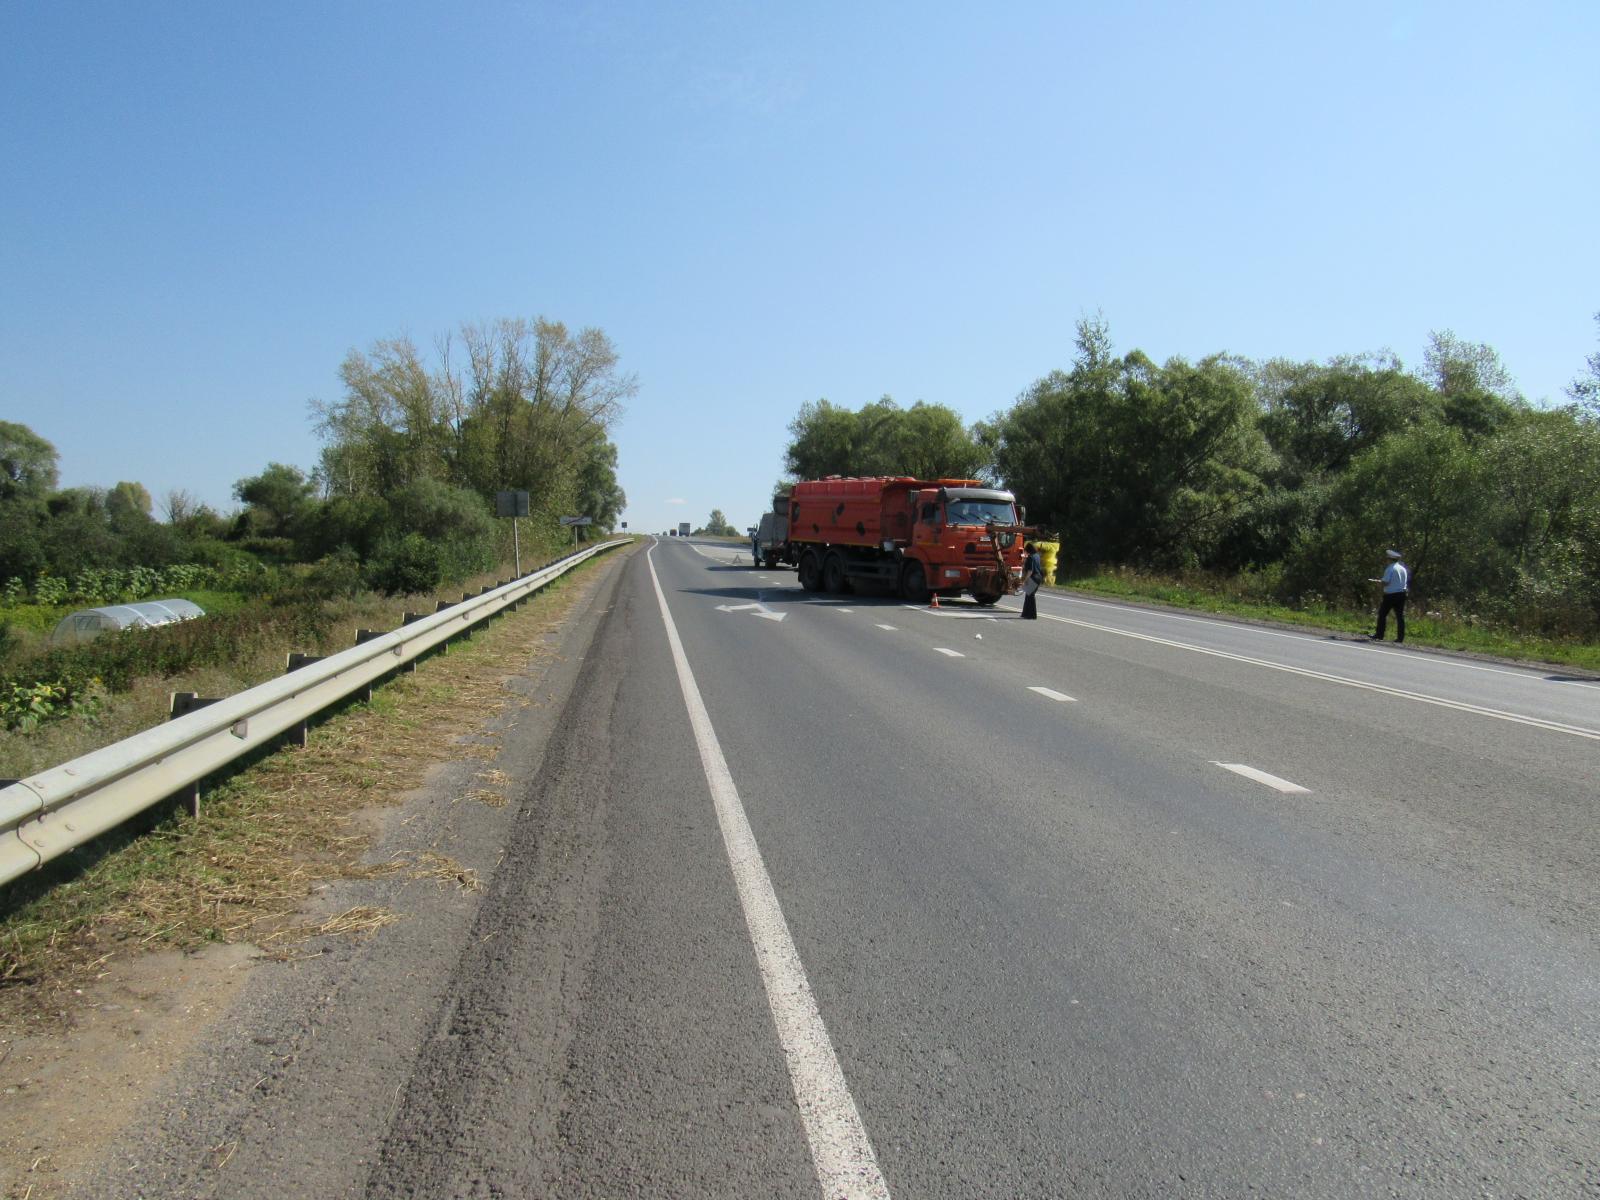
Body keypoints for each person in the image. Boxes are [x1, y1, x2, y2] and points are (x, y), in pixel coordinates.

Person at [1369, 549, 1409, 643]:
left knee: (1382, 614)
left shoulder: (1390, 568)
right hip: (1401, 594)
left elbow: (1386, 582)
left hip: (1391, 595)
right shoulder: (1403, 569)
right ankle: (1400, 638)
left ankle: (1379, 634)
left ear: (1389, 559)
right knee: (1400, 616)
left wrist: (1376, 582)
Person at [1021, 541, 1043, 619]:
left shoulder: (1030, 557)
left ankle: (1032, 615)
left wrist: (1024, 580)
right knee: (1029, 595)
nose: (1025, 552)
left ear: (1028, 550)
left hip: (1033, 577)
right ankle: (1025, 614)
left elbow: (1030, 571)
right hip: (1039, 577)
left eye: (1025, 550)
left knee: (1030, 596)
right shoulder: (1037, 556)